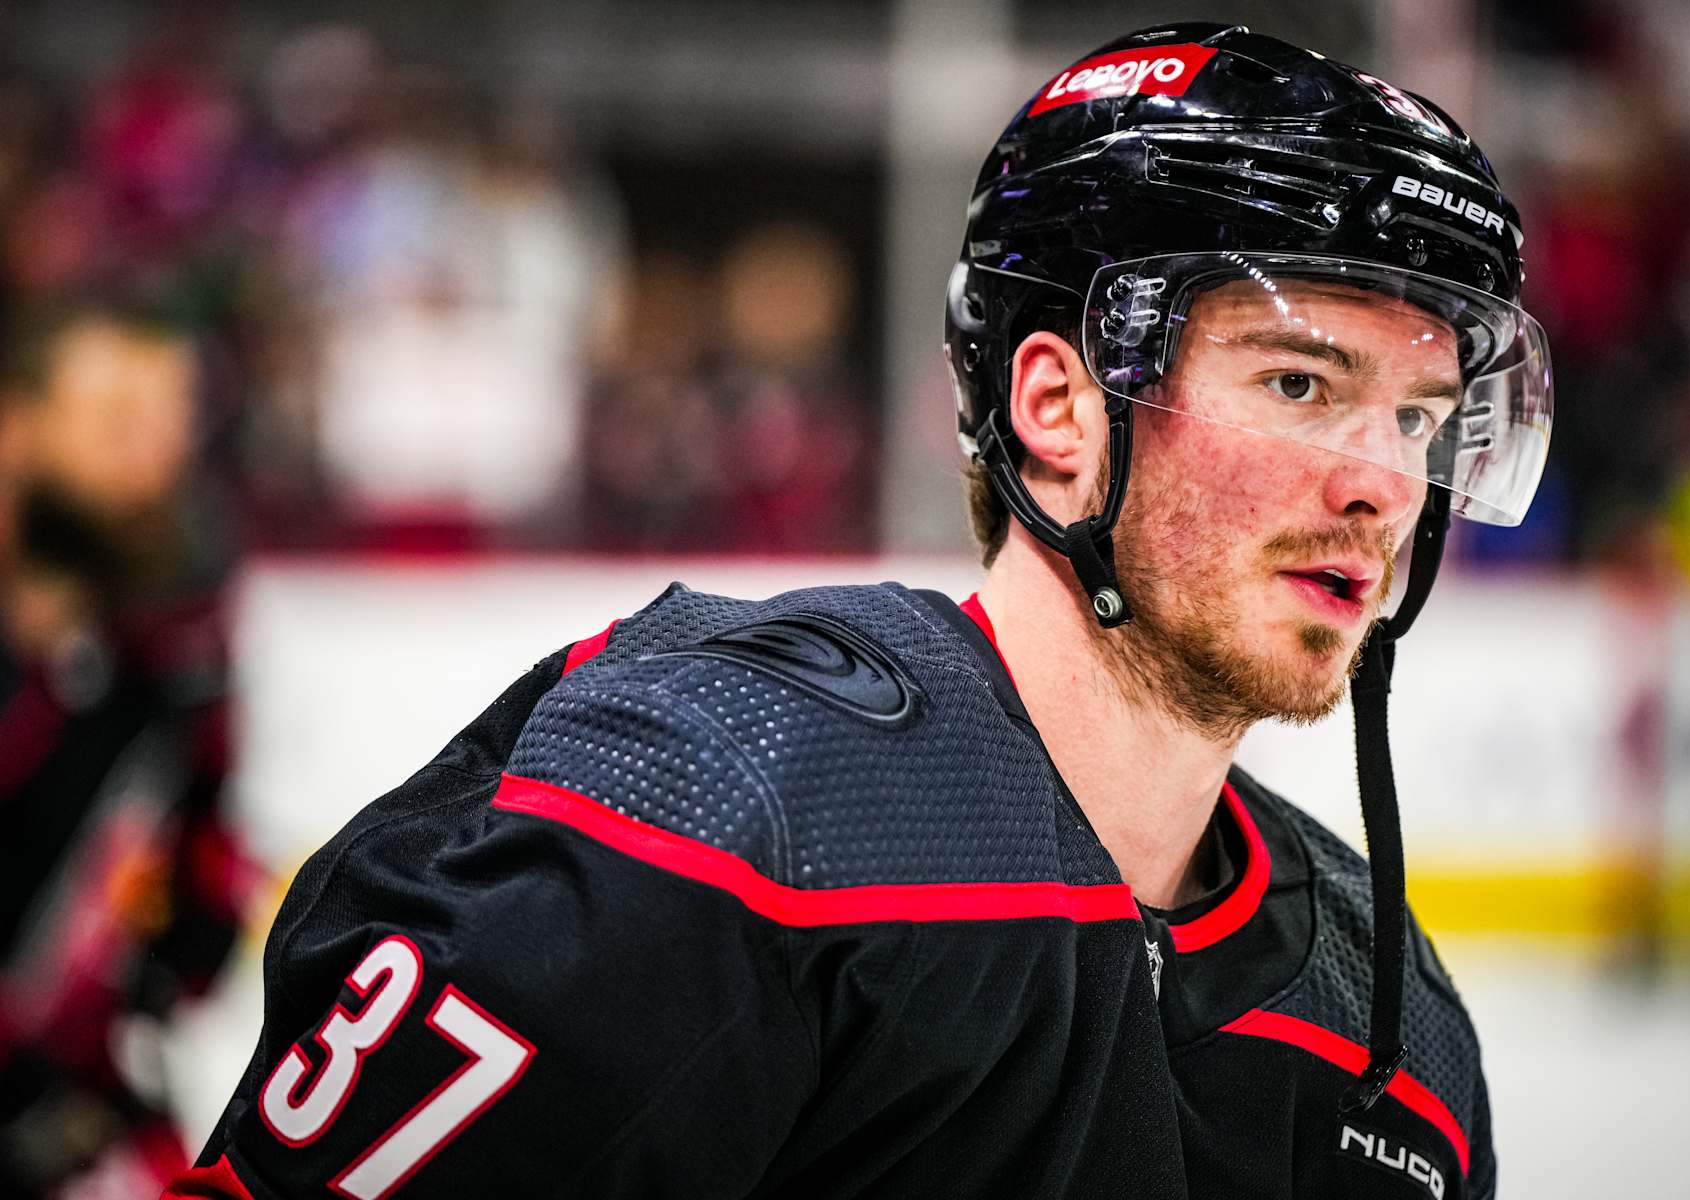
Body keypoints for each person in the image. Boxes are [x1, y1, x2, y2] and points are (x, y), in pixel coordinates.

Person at [168, 23, 1551, 1200]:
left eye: (1419, 416)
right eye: (1300, 385)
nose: (1383, 485)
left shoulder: (1398, 1038)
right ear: (1060, 410)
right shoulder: (720, 803)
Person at [0, 296, 254, 1196]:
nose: (156, 461)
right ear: (16, 433)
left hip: (90, 1122)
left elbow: (197, 878)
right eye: (117, 424)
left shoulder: (173, 658)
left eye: (172, 426)